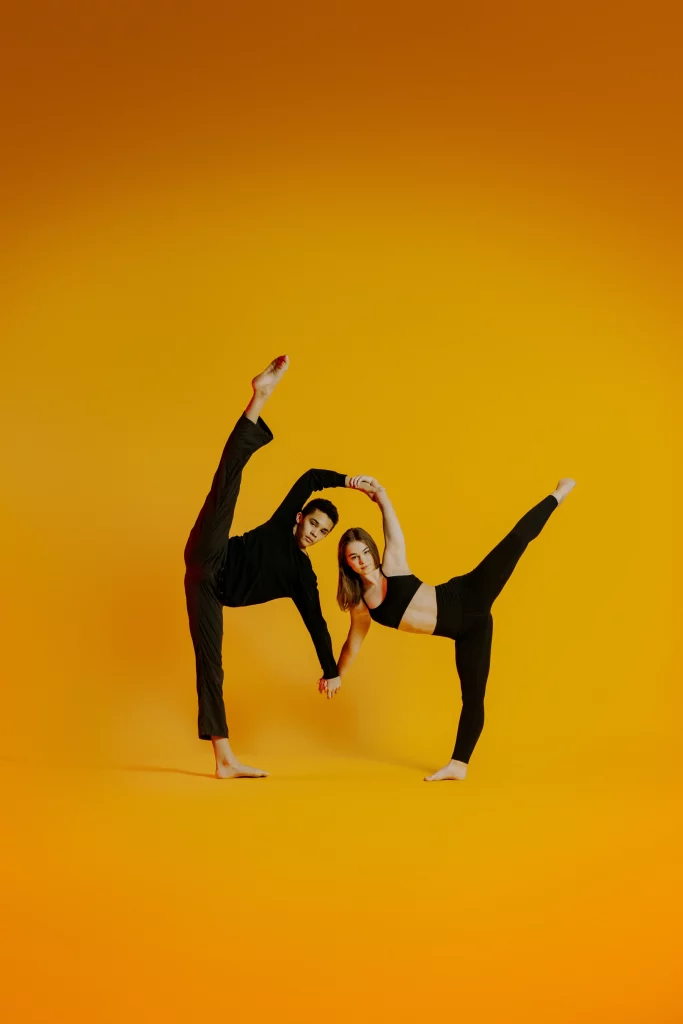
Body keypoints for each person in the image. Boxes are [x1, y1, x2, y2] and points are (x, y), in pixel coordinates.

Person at [184, 355, 379, 779]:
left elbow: (317, 625)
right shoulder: (280, 526)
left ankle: (224, 760)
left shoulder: (301, 577)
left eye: (324, 532)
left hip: (210, 590)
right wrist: (349, 481)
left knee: (211, 666)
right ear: (299, 518)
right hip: (211, 553)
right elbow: (309, 477)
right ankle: (260, 396)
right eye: (312, 523)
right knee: (226, 484)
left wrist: (331, 672)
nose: (315, 533)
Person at [327, 477, 576, 780]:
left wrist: (380, 494)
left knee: (515, 542)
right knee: (473, 697)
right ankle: (458, 766)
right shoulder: (362, 606)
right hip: (469, 630)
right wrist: (336, 674)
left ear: (373, 550)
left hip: (469, 594)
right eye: (354, 556)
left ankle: (558, 493)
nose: (363, 560)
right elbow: (352, 644)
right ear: (346, 563)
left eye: (365, 552)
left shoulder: (392, 565)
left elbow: (390, 523)